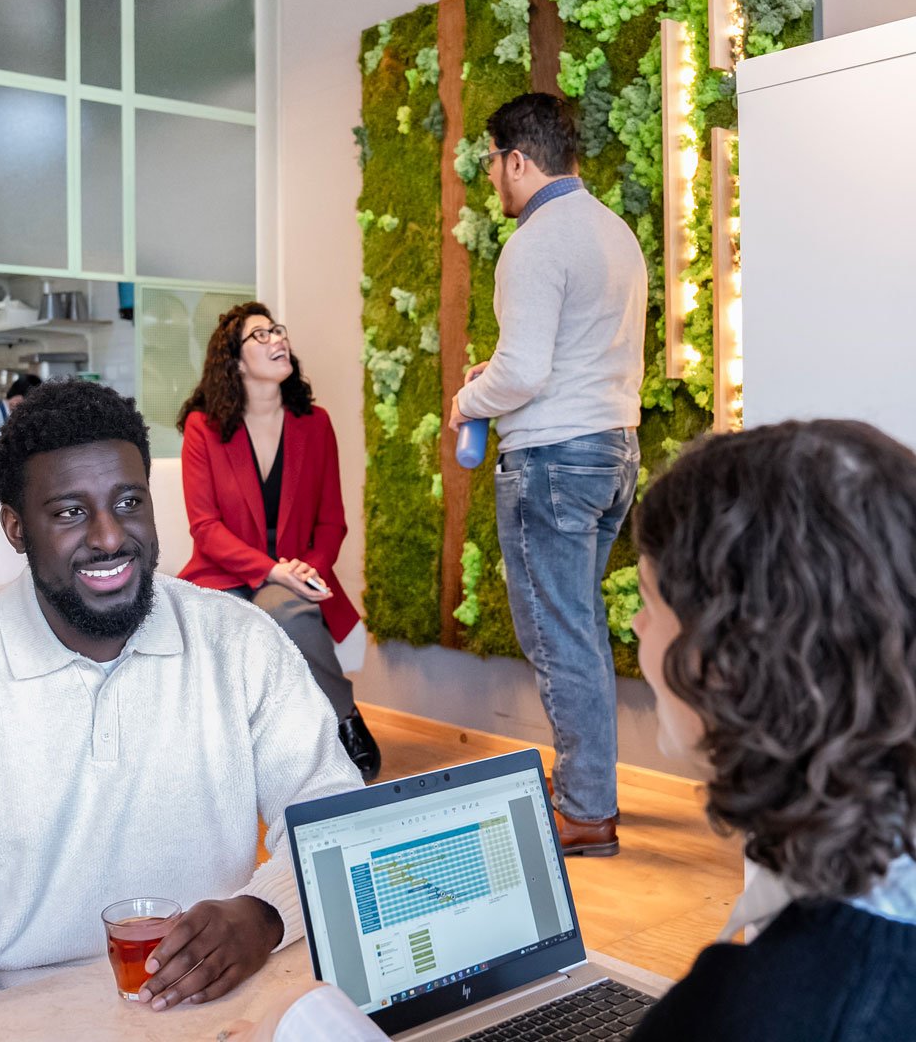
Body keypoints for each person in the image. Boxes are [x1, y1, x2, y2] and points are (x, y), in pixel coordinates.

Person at [230, 419, 916, 1041]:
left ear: (725, 658)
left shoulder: (761, 1008)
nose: (637, 627)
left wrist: (313, 1024)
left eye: (650, 601)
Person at [0, 379, 363, 1022]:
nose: (111, 537)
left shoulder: (240, 642)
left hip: (218, 1003)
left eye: (128, 501)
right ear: (15, 528)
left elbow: (334, 817)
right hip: (13, 1019)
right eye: (69, 512)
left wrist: (264, 913)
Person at [448, 93, 646, 856]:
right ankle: (591, 790)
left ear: (518, 160)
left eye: (492, 161)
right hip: (612, 450)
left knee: (560, 640)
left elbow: (526, 373)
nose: (490, 176)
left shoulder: (535, 242)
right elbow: (562, 356)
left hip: (554, 459)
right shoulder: (613, 232)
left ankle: (586, 811)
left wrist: (469, 397)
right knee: (581, 632)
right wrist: (498, 372)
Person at [176, 302, 381, 781]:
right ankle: (228, 753)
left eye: (278, 331)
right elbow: (205, 527)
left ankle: (342, 717)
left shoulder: (316, 423)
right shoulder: (203, 427)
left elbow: (331, 522)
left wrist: (306, 568)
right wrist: (271, 570)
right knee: (226, 621)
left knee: (287, 610)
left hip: (298, 565)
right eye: (261, 335)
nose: (278, 339)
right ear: (234, 360)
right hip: (224, 569)